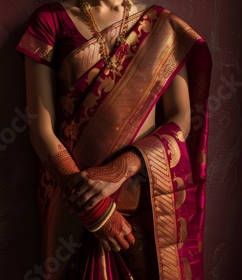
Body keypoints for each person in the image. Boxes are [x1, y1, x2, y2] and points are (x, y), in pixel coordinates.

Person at [16, 0, 212, 279]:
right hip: (74, 196)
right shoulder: (51, 19)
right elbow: (41, 131)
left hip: (144, 197)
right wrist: (93, 209)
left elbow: (180, 118)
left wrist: (123, 168)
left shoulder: (163, 27)